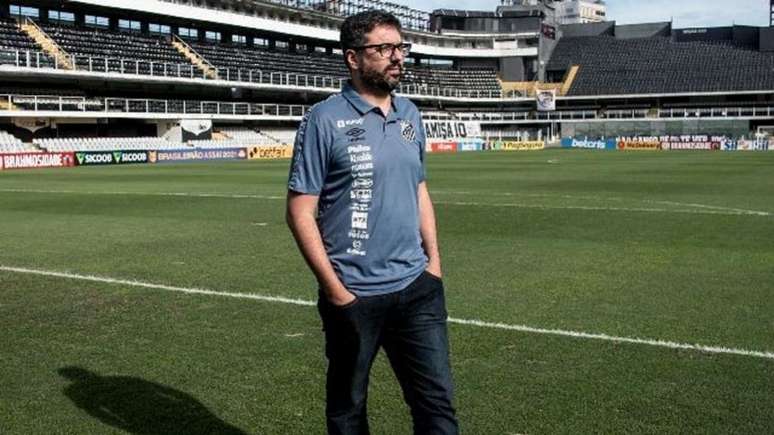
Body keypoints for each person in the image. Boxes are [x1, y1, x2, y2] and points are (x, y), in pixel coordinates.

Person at [285, 10, 459, 435]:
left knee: (437, 410)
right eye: (383, 49)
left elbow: (419, 189)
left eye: (400, 48)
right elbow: (299, 211)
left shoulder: (411, 114)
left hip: (417, 289)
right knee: (348, 412)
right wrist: (337, 292)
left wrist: (433, 264)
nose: (396, 57)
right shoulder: (323, 119)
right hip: (354, 296)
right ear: (353, 58)